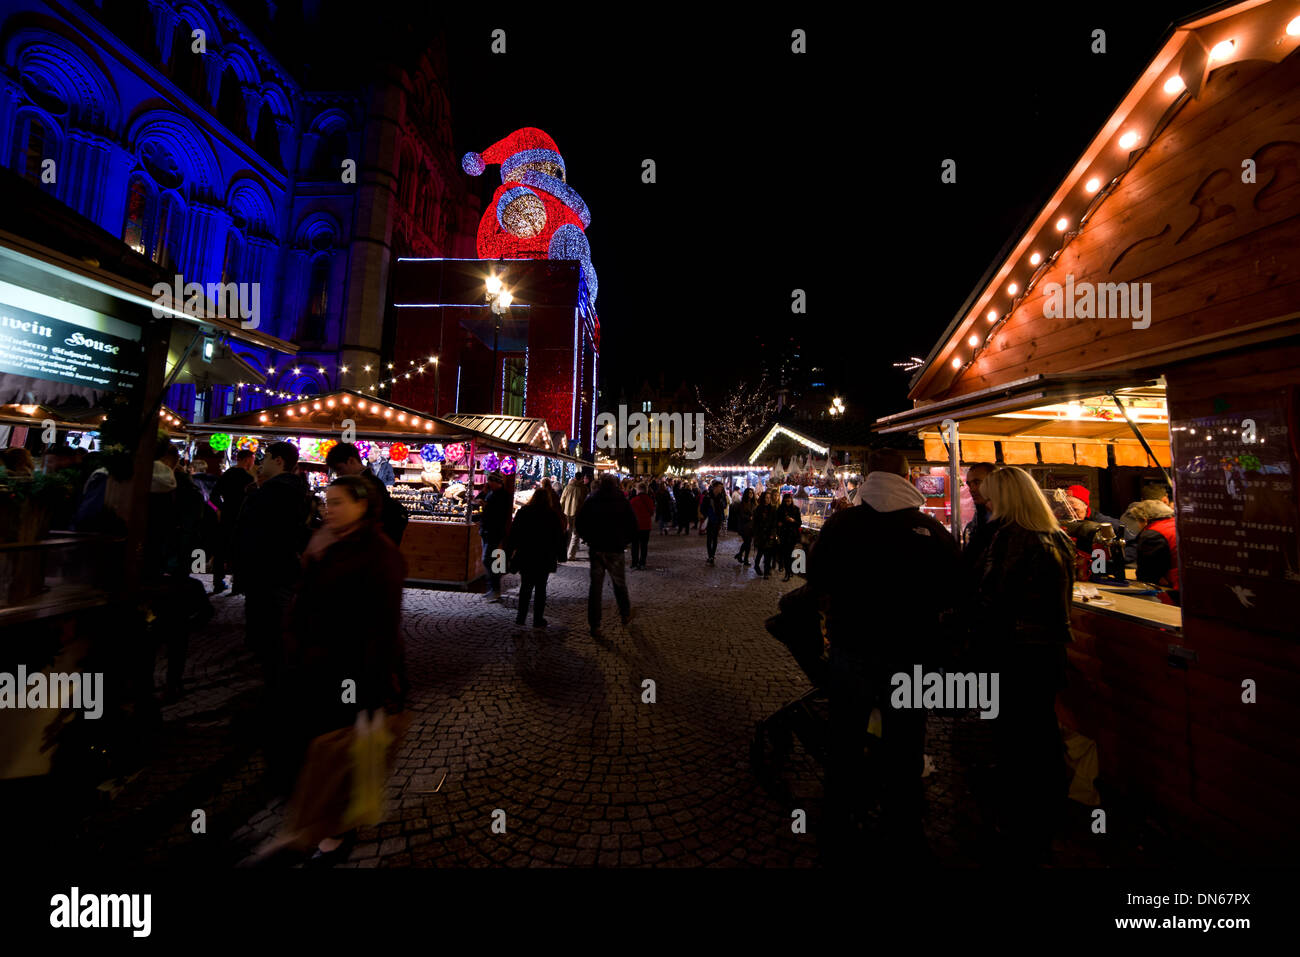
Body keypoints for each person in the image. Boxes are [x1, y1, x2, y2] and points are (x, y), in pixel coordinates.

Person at [808, 448, 960, 862]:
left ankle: (836, 827)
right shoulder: (929, 530)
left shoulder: (841, 525)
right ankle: (904, 830)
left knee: (845, 739)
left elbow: (817, 576)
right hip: (912, 654)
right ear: (908, 476)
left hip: (852, 648)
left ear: (869, 476)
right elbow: (953, 591)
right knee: (906, 743)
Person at [285, 475, 407, 863]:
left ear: (362, 505)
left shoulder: (379, 553)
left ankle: (335, 831)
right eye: (326, 501)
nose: (328, 508)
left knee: (341, 749)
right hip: (317, 661)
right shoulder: (328, 541)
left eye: (337, 502)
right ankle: (318, 822)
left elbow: (382, 625)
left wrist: (373, 685)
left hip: (350, 669)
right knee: (321, 744)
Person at [974, 466, 1076, 865]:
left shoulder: (1011, 538)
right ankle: (1048, 815)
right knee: (1040, 732)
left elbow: (994, 600)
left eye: (991, 495)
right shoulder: (1056, 537)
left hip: (1014, 653)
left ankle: (1020, 825)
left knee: (1015, 737)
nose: (986, 502)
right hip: (1047, 652)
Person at [234, 441, 311, 694]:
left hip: (269, 569)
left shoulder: (277, 492)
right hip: (273, 568)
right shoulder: (280, 489)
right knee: (271, 626)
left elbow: (261, 530)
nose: (260, 462)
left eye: (265, 457)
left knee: (270, 628)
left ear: (278, 461)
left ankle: (274, 687)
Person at [574, 474, 637, 638]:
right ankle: (624, 613)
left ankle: (594, 624)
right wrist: (624, 541)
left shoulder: (592, 498)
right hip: (615, 548)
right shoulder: (621, 500)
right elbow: (632, 524)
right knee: (619, 584)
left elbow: (580, 522)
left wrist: (588, 539)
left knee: (595, 588)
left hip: (596, 548)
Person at [324, 443, 409, 546]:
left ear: (351, 461)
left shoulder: (369, 484)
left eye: (340, 469)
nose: (338, 475)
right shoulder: (367, 481)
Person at [504, 487, 565, 627]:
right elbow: (558, 537)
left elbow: (514, 534)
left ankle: (521, 617)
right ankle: (538, 619)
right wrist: (561, 555)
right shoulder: (551, 514)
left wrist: (508, 553)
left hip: (526, 554)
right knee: (541, 588)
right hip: (544, 556)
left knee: (525, 587)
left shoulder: (524, 512)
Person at [211, 450, 256, 594]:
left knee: (221, 549)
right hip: (242, 518)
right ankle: (237, 585)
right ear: (248, 460)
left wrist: (218, 509)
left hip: (226, 515)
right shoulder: (249, 478)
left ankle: (218, 582)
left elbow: (212, 497)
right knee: (239, 550)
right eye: (253, 460)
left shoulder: (227, 475)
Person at [1121, 499, 1179, 601]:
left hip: (1179, 590)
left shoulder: (1152, 534)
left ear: (1144, 520)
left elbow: (1147, 577)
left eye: (1138, 521)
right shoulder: (1176, 524)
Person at [960, 463, 998, 577]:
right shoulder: (978, 520)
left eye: (977, 482)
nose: (972, 489)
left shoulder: (1011, 520)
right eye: (969, 484)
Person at [561, 473, 590, 560]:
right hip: (578, 513)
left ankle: (563, 553)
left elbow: (562, 500)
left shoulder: (568, 487)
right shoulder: (584, 488)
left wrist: (562, 511)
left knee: (568, 532)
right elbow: (586, 502)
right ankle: (570, 555)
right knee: (576, 534)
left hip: (566, 512)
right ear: (581, 478)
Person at [751, 489, 780, 578]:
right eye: (766, 498)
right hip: (760, 534)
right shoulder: (758, 509)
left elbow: (774, 523)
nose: (767, 499)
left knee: (768, 554)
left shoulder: (773, 509)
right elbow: (755, 522)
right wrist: (756, 533)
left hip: (769, 534)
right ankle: (756, 565)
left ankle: (766, 572)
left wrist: (773, 533)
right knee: (760, 552)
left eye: (768, 498)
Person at [775, 491, 803, 580]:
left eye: (789, 501)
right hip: (783, 534)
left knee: (789, 554)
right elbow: (776, 521)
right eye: (786, 501)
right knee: (785, 553)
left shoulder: (796, 509)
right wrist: (779, 523)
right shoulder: (780, 509)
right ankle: (787, 572)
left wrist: (793, 521)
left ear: (791, 501)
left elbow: (799, 523)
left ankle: (788, 571)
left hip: (792, 535)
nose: (787, 503)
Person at [702, 480, 729, 565]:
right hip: (710, 520)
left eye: (722, 487)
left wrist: (722, 502)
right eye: (720, 487)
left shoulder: (722, 496)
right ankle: (710, 556)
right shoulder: (708, 496)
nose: (721, 489)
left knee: (715, 538)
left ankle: (712, 555)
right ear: (715, 487)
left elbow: (725, 506)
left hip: (718, 520)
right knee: (709, 538)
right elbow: (703, 508)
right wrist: (707, 515)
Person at [629, 483, 655, 569]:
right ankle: (642, 563)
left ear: (639, 489)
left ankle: (634, 563)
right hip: (646, 526)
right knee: (644, 545)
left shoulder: (633, 500)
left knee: (635, 545)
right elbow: (651, 512)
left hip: (635, 526)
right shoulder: (649, 500)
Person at [731, 487, 757, 565]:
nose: (751, 494)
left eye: (752, 493)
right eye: (749, 493)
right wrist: (749, 517)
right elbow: (741, 515)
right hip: (744, 526)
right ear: (746, 494)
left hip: (751, 526)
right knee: (747, 543)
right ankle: (745, 559)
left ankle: (740, 555)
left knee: (747, 543)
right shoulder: (742, 504)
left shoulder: (754, 503)